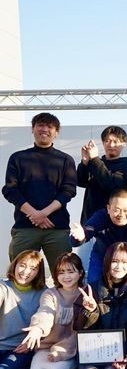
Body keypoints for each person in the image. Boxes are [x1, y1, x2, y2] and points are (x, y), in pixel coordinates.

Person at [3, 112, 77, 275]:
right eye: (40, 125)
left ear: (56, 132)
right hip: (25, 227)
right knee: (20, 276)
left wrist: (43, 214)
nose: (44, 129)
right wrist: (35, 215)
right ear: (33, 129)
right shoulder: (18, 158)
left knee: (64, 276)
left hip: (57, 229)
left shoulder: (65, 160)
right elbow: (10, 190)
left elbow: (69, 191)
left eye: (50, 126)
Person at [69, 190, 127, 286]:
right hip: (103, 256)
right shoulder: (100, 217)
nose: (121, 215)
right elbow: (88, 230)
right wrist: (80, 237)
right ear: (108, 208)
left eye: (126, 210)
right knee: (95, 284)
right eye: (116, 210)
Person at [77, 125, 127, 223]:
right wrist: (85, 162)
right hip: (90, 218)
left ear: (124, 144)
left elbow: (111, 185)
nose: (111, 145)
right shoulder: (96, 162)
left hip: (113, 221)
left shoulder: (125, 165)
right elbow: (81, 182)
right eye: (107, 141)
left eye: (115, 141)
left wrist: (95, 159)